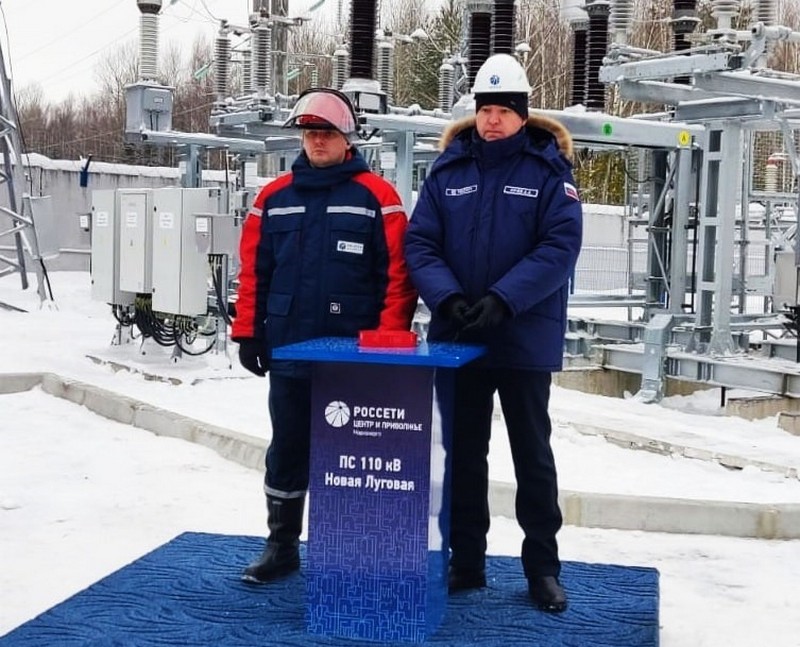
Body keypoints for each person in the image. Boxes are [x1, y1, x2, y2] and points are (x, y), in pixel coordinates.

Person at [404, 53, 583, 613]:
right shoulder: (448, 172)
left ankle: (543, 570)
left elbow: (559, 246)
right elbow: (420, 243)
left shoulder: (548, 171)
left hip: (523, 336)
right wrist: (448, 297)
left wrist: (505, 300)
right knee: (462, 453)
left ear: (522, 114)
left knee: (532, 456)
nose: (494, 120)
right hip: (460, 335)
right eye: (486, 109)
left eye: (505, 110)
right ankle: (467, 561)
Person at [231, 87, 418, 584]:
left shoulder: (378, 198)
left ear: (347, 138)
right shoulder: (273, 199)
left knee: (353, 456)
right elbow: (253, 272)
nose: (317, 141)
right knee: (287, 450)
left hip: (353, 359)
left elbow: (398, 278)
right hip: (289, 349)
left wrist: (387, 342)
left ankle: (349, 552)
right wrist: (248, 332)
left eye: (327, 133)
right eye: (310, 133)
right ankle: (281, 546)